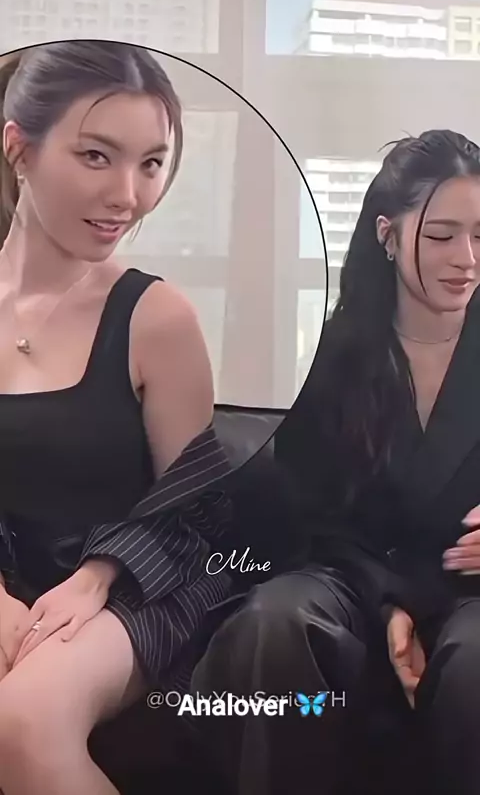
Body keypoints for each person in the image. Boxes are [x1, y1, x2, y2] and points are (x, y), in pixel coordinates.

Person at [191, 129, 480, 795]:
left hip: (469, 588)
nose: (466, 259)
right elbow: (305, 518)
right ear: (387, 235)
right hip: (353, 578)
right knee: (277, 623)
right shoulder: (334, 355)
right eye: (441, 235)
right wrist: (391, 601)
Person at [0, 40, 233, 795]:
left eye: (151, 164)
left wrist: (98, 576)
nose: (127, 196)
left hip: (136, 591)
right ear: (19, 148)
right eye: (97, 156)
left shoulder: (156, 317)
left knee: (23, 720)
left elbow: (197, 509)